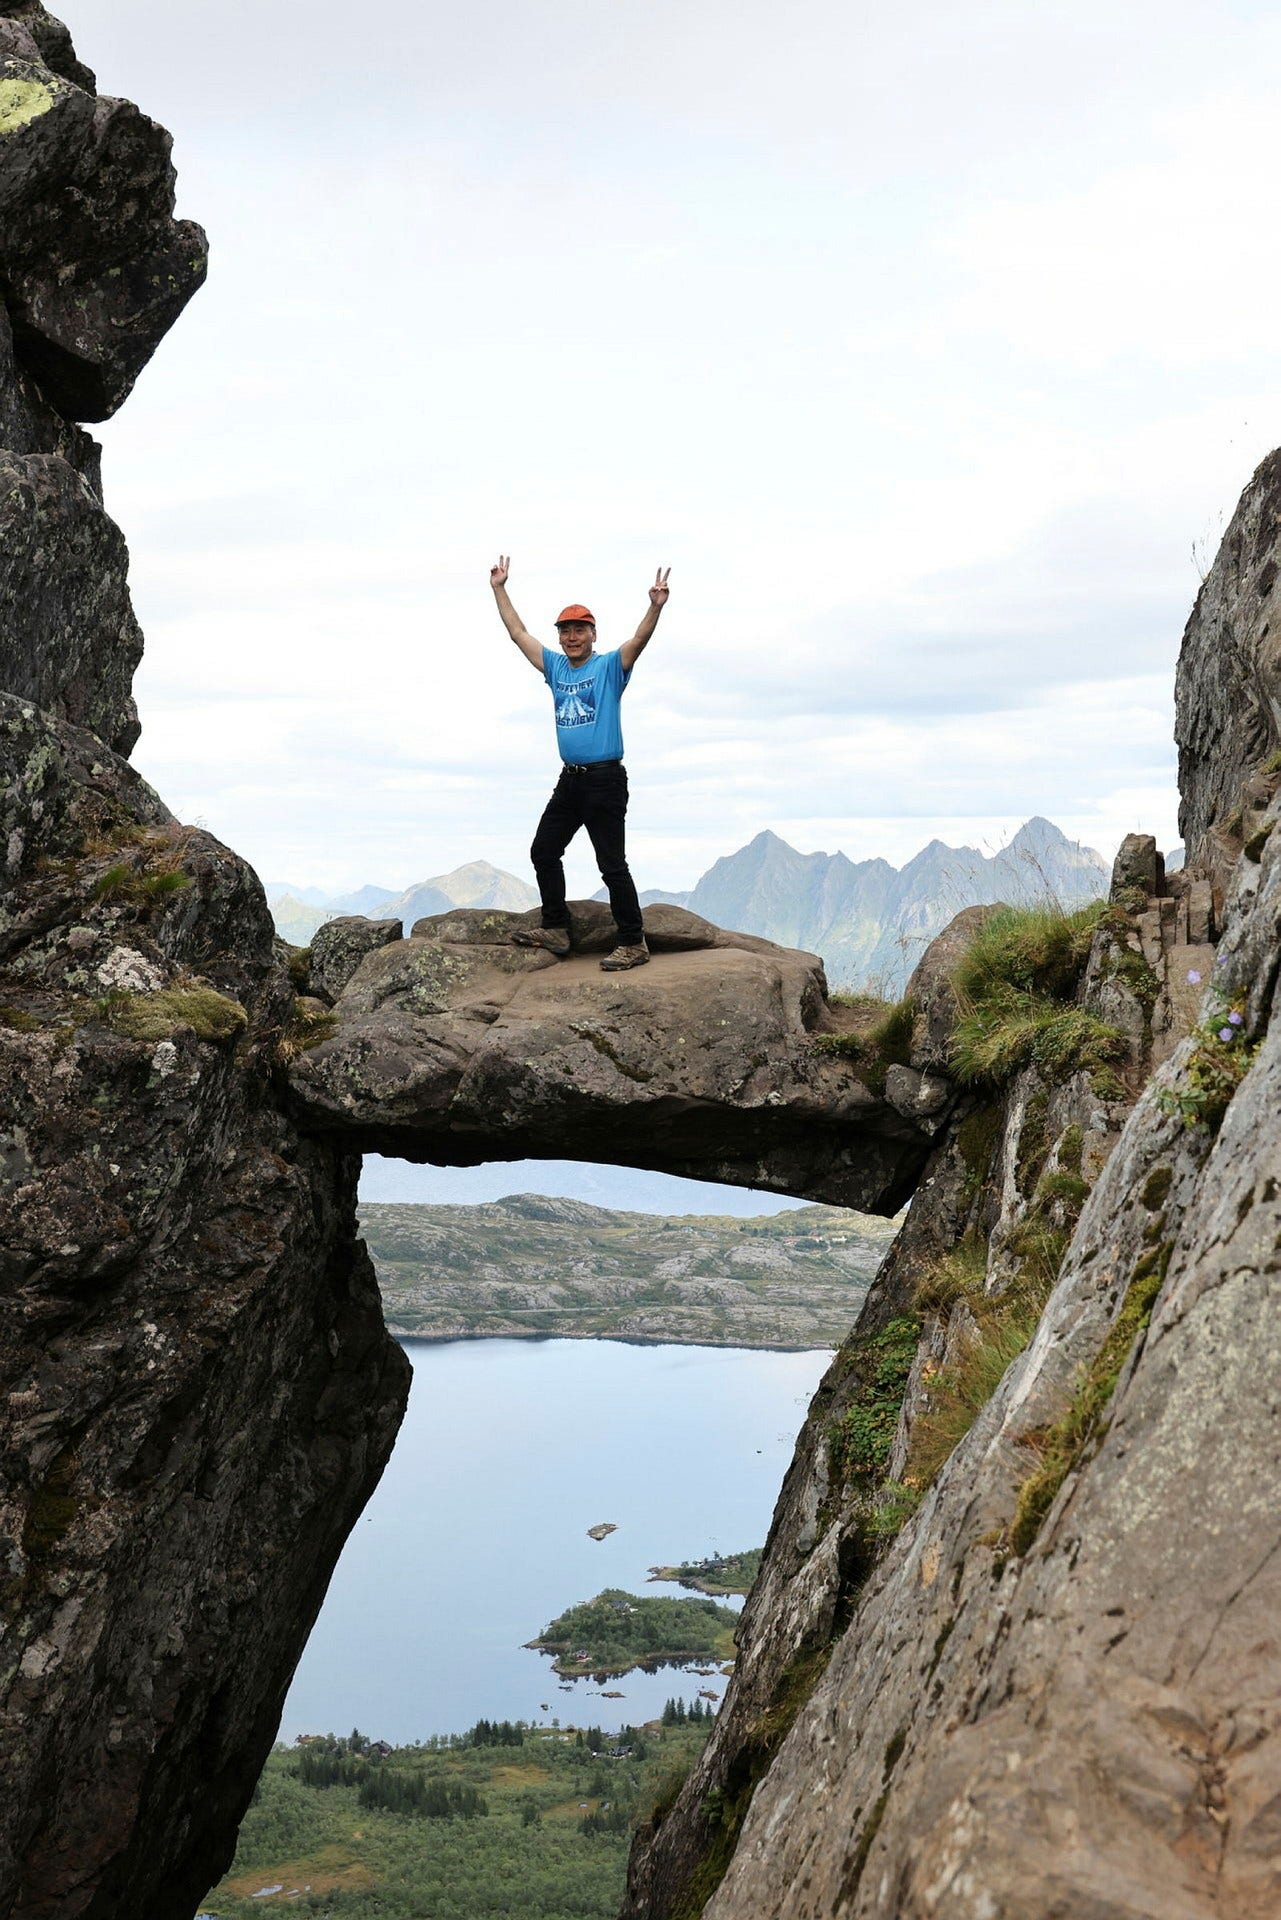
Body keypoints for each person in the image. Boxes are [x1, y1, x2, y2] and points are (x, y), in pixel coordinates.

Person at [489, 557, 670, 971]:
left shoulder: (608, 667)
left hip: (605, 779)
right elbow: (518, 633)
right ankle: (556, 928)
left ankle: (632, 941)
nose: (571, 637)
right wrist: (500, 588)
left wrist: (655, 607)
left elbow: (638, 641)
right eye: (565, 631)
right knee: (543, 850)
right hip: (569, 781)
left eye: (579, 630)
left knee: (611, 865)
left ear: (593, 634)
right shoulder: (555, 666)